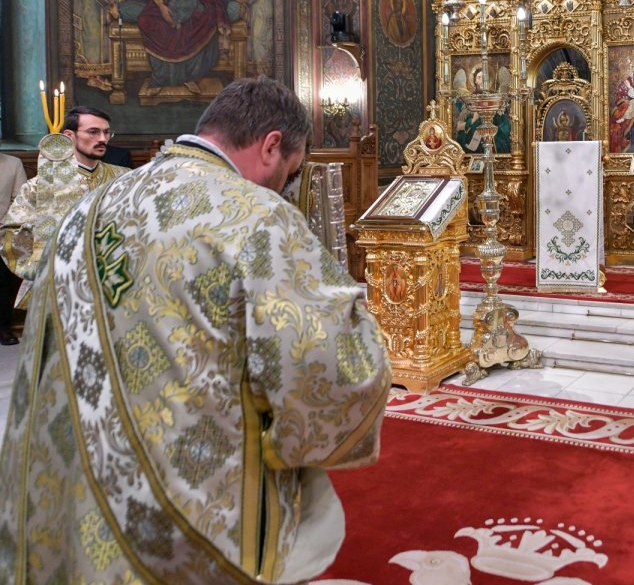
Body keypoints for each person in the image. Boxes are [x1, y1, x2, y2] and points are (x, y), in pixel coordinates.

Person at [0, 77, 391, 584]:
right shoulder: (257, 218)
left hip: (66, 495)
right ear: (271, 145)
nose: (281, 188)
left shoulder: (85, 209)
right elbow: (332, 369)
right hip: (185, 517)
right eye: (288, 173)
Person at [1, 106, 129, 307]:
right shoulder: (41, 185)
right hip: (60, 283)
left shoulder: (124, 178)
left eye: (107, 132)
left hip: (114, 281)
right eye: (93, 132)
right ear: (69, 135)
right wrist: (45, 261)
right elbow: (12, 233)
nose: (103, 139)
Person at [0, 153, 27, 344]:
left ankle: (3, 327)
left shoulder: (13, 163)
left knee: (3, 283)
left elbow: (20, 200)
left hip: (2, 231)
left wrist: (3, 223)